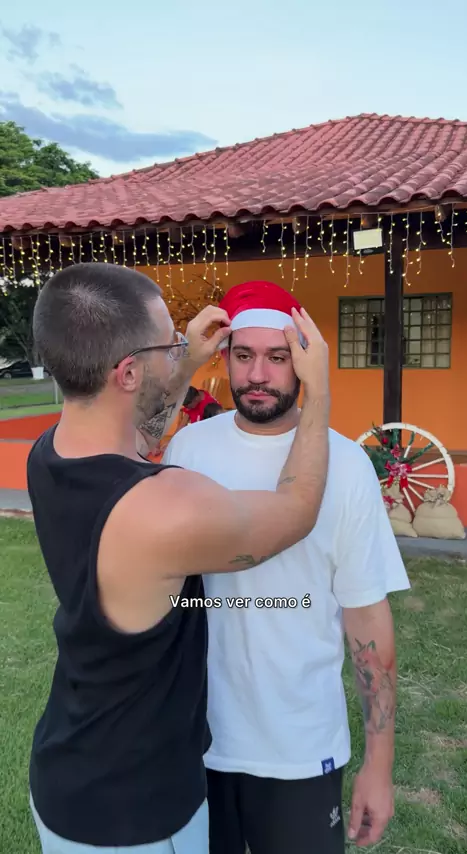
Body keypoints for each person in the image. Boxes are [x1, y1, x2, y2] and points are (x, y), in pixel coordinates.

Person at [26, 263, 330, 854]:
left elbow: (137, 438)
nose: (181, 348)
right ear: (128, 372)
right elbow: (296, 511)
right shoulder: (165, 507)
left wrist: (184, 364)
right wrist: (317, 393)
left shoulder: (51, 453)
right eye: (170, 343)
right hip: (136, 812)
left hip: (71, 768)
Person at [162, 279, 411, 854]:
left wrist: (379, 765)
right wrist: (180, 366)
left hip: (301, 746)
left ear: (303, 362)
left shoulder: (345, 465)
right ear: (224, 357)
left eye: (278, 357)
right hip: (194, 742)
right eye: (244, 355)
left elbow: (367, 621)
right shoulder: (189, 451)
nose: (258, 374)